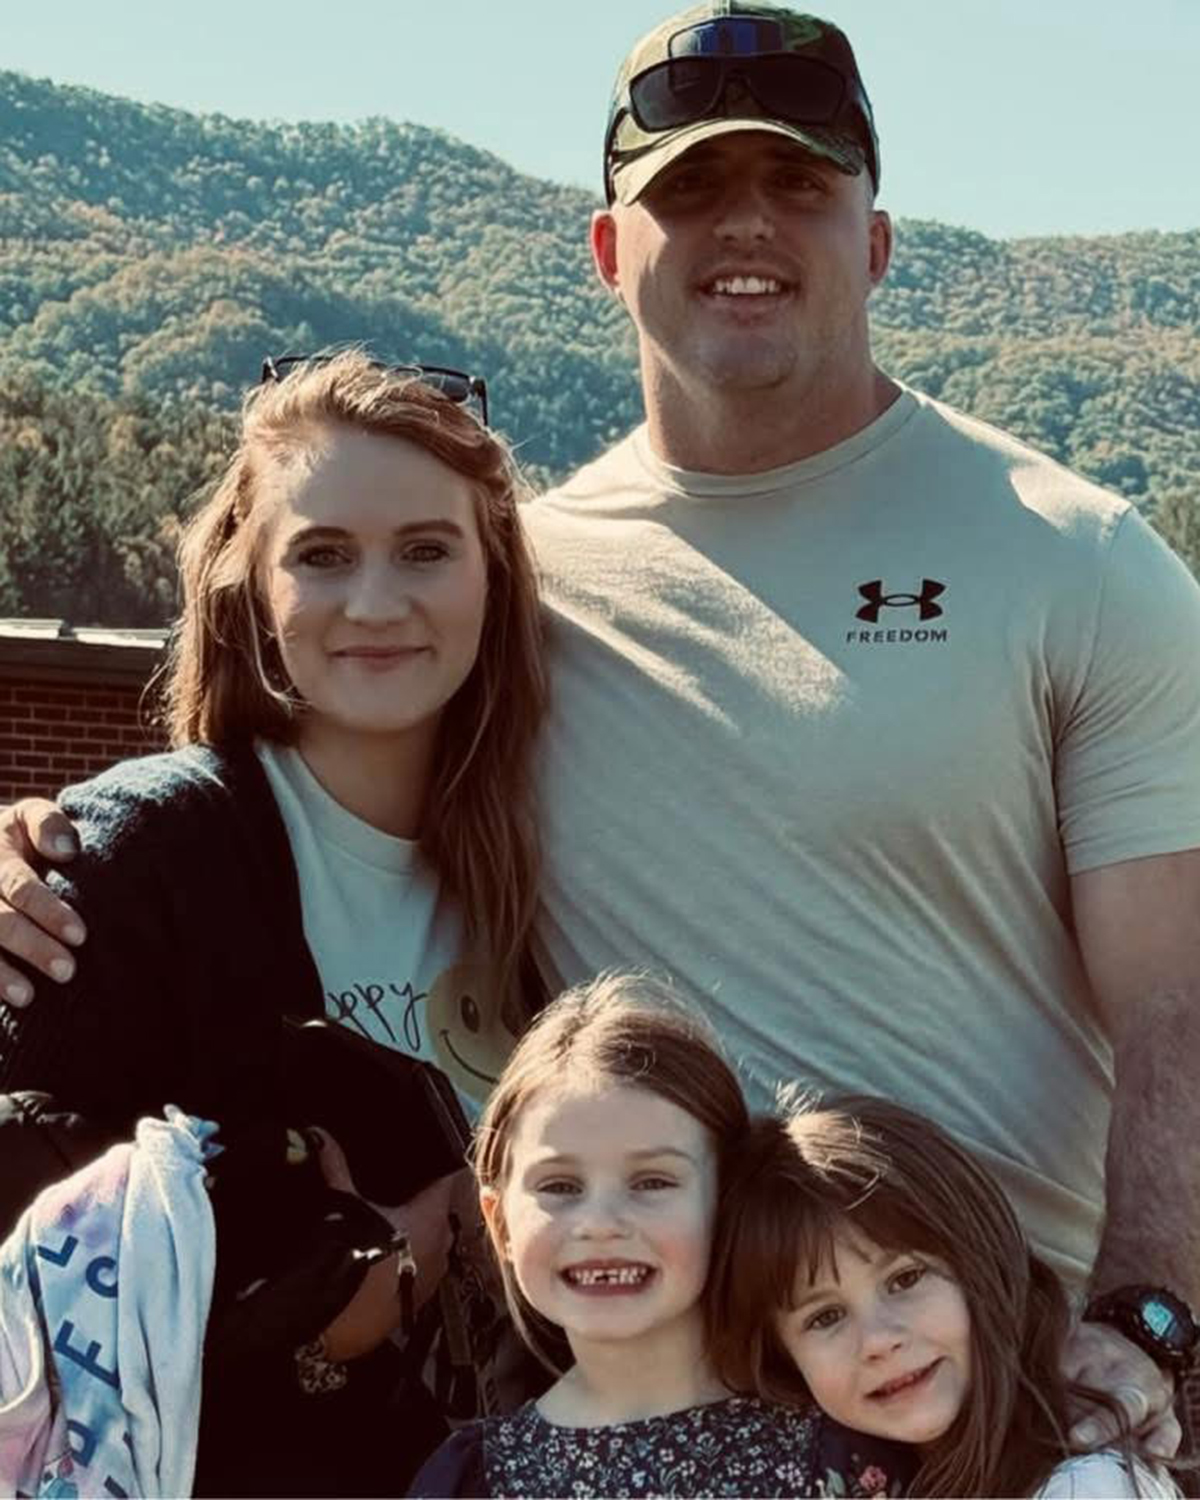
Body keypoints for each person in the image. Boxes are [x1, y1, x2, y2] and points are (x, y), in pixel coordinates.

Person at [3, 0, 1199, 1454]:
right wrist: (65, 851)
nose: (744, 224)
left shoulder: (1077, 560)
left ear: (881, 241)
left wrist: (1144, 1317)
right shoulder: (520, 585)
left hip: (989, 1394)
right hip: (644, 1417)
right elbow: (326, 781)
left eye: (799, 184)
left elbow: (1177, 999)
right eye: (690, 188)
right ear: (606, 251)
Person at [0, 349, 547, 1495]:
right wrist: (334, 1297)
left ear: (495, 575)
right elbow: (30, 1257)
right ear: (249, 584)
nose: (377, 602)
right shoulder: (141, 858)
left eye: (427, 550)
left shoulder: (551, 864)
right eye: (323, 555)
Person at [411, 971, 911, 1498]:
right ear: (500, 1224)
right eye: (560, 1186)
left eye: (652, 1182)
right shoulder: (472, 1481)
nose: (601, 1222)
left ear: (727, 1202)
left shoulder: (838, 1457)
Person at [708, 1094, 1183, 1498]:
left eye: (905, 1279)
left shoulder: (1089, 1485)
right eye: (825, 1316)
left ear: (983, 1263)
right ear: (786, 1363)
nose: (878, 1341)